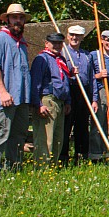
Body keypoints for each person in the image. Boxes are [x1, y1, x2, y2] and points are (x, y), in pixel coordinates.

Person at [0, 3, 31, 179]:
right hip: (4, 99)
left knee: (18, 136)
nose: (17, 20)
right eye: (14, 17)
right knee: (0, 135)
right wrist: (2, 92)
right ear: (7, 19)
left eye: (20, 18)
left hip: (20, 99)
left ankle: (14, 170)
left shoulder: (22, 43)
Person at [30, 33, 72, 167]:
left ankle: (53, 166)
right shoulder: (42, 59)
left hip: (60, 101)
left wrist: (67, 101)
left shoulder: (61, 60)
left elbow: (65, 82)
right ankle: (42, 167)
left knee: (58, 137)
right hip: (47, 100)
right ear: (46, 43)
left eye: (59, 43)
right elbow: (35, 83)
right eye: (54, 43)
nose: (57, 46)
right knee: (45, 138)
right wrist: (38, 104)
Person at [60, 25, 98, 165]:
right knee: (66, 126)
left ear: (82, 37)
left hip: (84, 92)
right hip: (69, 90)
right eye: (72, 35)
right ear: (68, 36)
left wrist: (94, 99)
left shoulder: (87, 55)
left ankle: (81, 156)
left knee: (82, 126)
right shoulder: (63, 53)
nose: (74, 38)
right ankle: (62, 157)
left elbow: (92, 77)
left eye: (77, 36)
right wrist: (70, 72)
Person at [88, 30, 109, 161]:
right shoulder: (94, 55)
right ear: (102, 40)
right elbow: (88, 76)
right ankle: (96, 154)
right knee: (98, 124)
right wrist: (98, 76)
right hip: (101, 91)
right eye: (107, 40)